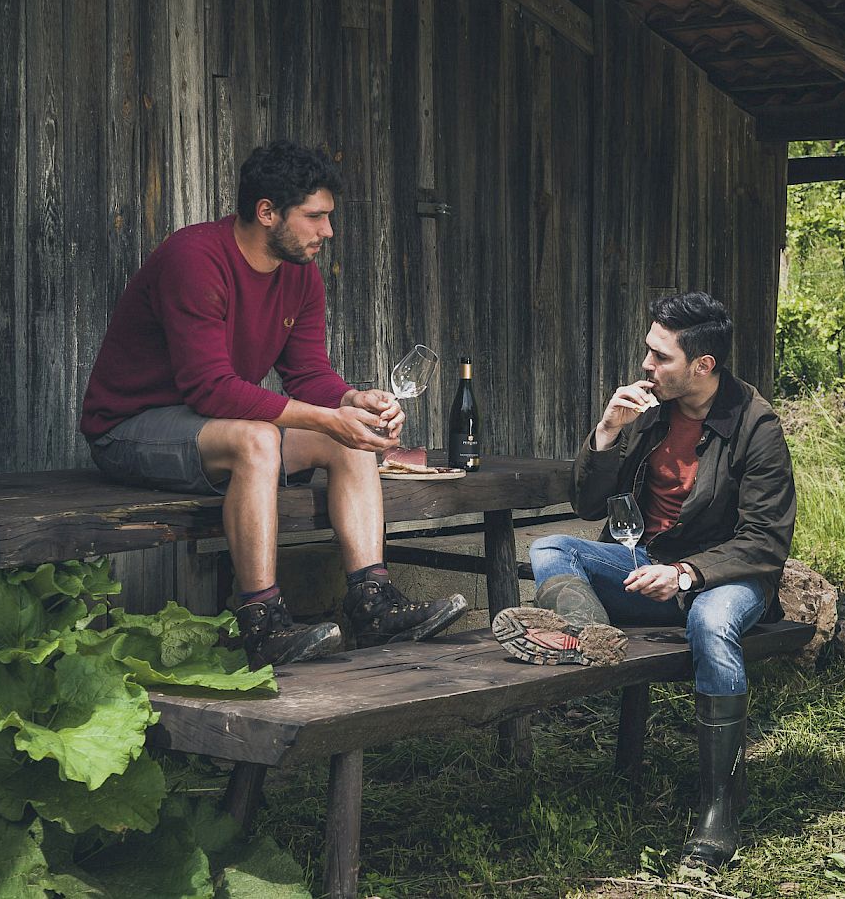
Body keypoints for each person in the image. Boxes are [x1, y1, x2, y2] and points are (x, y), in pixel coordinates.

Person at [81, 140, 465, 668]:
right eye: (315, 217)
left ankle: (373, 605)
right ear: (267, 212)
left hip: (211, 430)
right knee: (260, 438)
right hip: (129, 430)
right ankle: (263, 624)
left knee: (341, 437)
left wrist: (353, 401)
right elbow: (209, 388)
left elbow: (306, 373)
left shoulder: (299, 271)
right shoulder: (193, 258)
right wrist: (329, 417)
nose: (328, 232)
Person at [491, 291, 796, 869]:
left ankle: (718, 806)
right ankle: (587, 638)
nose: (647, 367)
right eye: (648, 353)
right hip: (645, 564)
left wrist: (688, 574)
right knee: (551, 545)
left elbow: (765, 541)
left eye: (661, 357)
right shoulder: (650, 412)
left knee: (710, 621)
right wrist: (607, 430)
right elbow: (586, 505)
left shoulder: (756, 426)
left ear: (703, 365)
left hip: (728, 577)